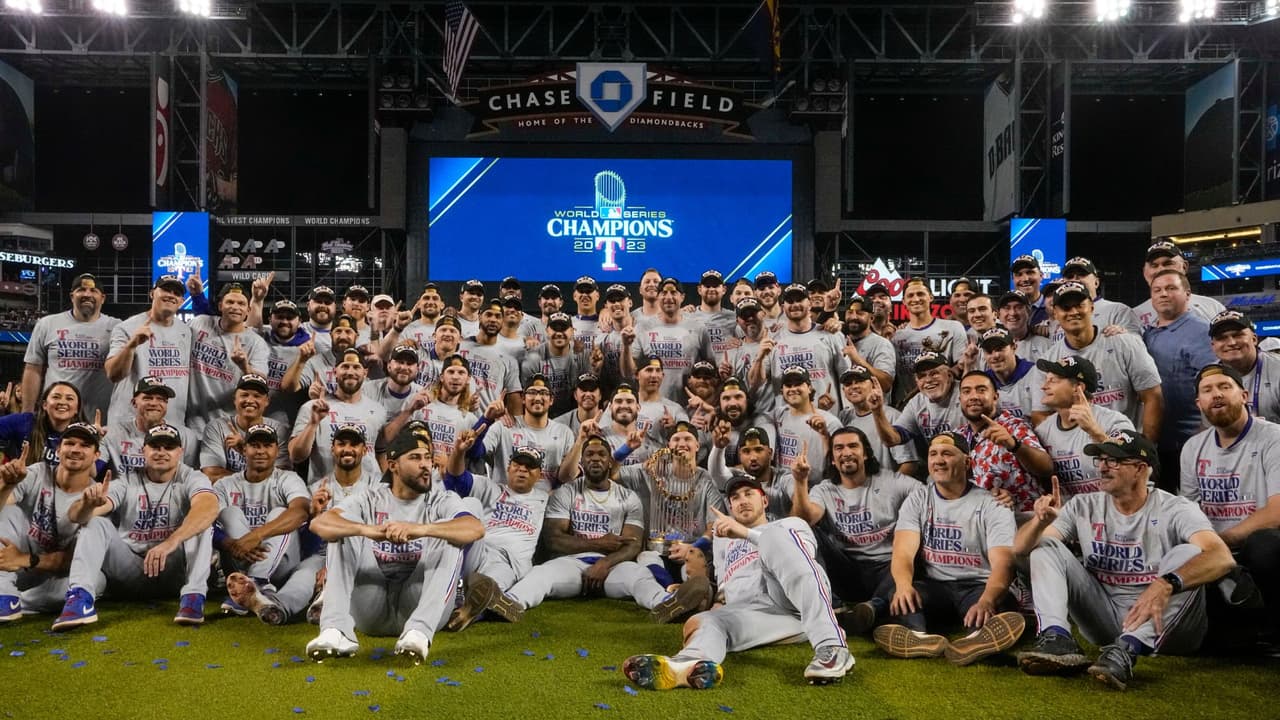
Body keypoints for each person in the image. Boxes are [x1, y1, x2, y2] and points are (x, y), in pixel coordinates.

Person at [1013, 431, 1234, 690]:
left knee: (1190, 553)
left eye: (1114, 461)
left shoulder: (1175, 508)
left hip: (1168, 627)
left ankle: (1128, 648)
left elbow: (1221, 556)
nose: (1103, 467)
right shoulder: (1083, 506)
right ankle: (1057, 637)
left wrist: (1166, 583)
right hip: (1105, 620)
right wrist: (1040, 523)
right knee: (1044, 546)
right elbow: (1020, 549)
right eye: (1101, 460)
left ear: (1140, 469)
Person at [623, 469, 855, 690]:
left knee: (773, 537)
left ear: (764, 501)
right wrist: (718, 603)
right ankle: (688, 663)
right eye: (735, 497)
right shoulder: (724, 542)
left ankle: (832, 646)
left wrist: (744, 533)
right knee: (706, 620)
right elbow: (726, 582)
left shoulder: (790, 524)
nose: (742, 500)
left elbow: (801, 566)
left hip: (796, 606)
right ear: (730, 507)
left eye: (749, 493)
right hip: (760, 616)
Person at [305, 424, 484, 664]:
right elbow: (320, 523)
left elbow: (475, 528)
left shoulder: (440, 499)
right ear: (393, 465)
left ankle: (419, 634)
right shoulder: (370, 497)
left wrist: (419, 530)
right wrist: (367, 530)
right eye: (415, 458)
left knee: (448, 533)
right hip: (371, 608)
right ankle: (336, 630)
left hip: (418, 603)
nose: (425, 465)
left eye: (428, 457)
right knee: (343, 530)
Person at [873, 432, 1024, 667]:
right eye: (933, 454)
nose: (938, 460)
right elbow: (903, 552)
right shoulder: (918, 499)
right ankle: (918, 637)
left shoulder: (992, 503)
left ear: (967, 462)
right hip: (937, 587)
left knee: (997, 606)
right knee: (901, 595)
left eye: (947, 454)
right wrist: (903, 587)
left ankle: (976, 639)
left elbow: (1003, 563)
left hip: (978, 585)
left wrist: (987, 600)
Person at [54, 424, 218, 630]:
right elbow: (76, 516)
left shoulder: (191, 477)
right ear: (143, 450)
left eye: (168, 447)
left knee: (201, 524)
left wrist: (170, 542)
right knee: (94, 522)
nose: (161, 452)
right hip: (130, 571)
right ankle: (80, 600)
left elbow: (209, 507)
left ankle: (193, 597)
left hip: (174, 570)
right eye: (155, 447)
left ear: (180, 452)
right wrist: (86, 506)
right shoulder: (126, 480)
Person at [1181, 364, 1280, 638]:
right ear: (1199, 403)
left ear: (1244, 395)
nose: (1216, 394)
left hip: (1253, 547)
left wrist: (1222, 540)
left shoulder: (1274, 438)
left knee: (1266, 545)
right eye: (1207, 390)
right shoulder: (1192, 447)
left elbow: (1277, 512)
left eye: (1225, 386)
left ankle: (1273, 631)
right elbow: (1187, 511)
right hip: (1215, 550)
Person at [791, 426, 918, 635]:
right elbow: (805, 519)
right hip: (846, 570)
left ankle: (872, 608)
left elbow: (928, 496)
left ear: (865, 453)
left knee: (915, 546)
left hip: (887, 568)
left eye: (853, 446)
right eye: (839, 448)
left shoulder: (893, 481)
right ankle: (836, 608)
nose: (846, 452)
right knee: (804, 531)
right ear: (833, 459)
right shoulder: (824, 489)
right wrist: (800, 481)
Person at [441, 435, 550, 631]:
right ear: (508, 468)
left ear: (539, 475)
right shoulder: (491, 488)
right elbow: (456, 478)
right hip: (479, 550)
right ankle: (469, 596)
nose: (522, 469)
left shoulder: (546, 499)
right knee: (469, 504)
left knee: (488, 586)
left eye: (529, 467)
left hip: (508, 562)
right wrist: (459, 452)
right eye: (517, 464)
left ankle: (466, 610)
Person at [215, 424, 316, 625]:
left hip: (282, 564)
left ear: (277, 450)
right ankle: (256, 586)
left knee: (281, 514)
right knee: (229, 513)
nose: (261, 451)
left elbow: (300, 511)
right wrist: (230, 544)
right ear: (244, 449)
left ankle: (256, 581)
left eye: (267, 445)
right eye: (255, 445)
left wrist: (255, 536)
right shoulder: (224, 485)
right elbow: (206, 525)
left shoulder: (287, 478)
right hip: (238, 559)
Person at [0, 423, 102, 619]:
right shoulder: (39, 472)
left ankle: (18, 602)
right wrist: (7, 485)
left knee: (97, 580)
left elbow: (71, 560)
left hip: (54, 576)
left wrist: (25, 559)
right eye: (69, 443)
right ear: (58, 450)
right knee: (8, 510)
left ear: (96, 455)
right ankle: (4, 595)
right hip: (14, 566)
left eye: (84, 445)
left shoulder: (95, 497)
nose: (75, 450)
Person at [1046, 281, 1163, 439]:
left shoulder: (1125, 343)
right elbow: (1043, 413)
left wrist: (1146, 446)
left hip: (1125, 445)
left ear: (1092, 307)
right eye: (1066, 307)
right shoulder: (1049, 358)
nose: (1073, 312)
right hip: (1077, 448)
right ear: (1055, 313)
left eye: (1079, 305)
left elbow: (1153, 396)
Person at [1142, 269, 1217, 486]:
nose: (1163, 294)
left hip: (1189, 441)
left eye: (1171, 288)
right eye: (1157, 290)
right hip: (1158, 441)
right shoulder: (1148, 333)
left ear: (1187, 294)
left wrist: (1205, 434)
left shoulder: (1201, 331)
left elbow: (1213, 384)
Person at [1034, 356, 1135, 500]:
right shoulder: (1042, 431)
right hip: (1068, 512)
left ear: (1078, 387)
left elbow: (1132, 471)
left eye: (1053, 380)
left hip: (1112, 508)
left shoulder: (1114, 422)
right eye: (1046, 379)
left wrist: (1094, 431)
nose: (1043, 386)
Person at [23, 272, 119, 422]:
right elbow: (33, 369)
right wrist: (26, 414)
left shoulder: (116, 327)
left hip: (99, 420)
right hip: (55, 418)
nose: (87, 294)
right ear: (72, 296)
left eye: (93, 290)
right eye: (81, 289)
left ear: (102, 298)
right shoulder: (47, 324)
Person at [954, 371, 1052, 515]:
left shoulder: (1014, 426)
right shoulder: (956, 436)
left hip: (1024, 517)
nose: (973, 396)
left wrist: (1014, 445)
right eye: (966, 391)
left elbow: (1046, 468)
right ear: (960, 399)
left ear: (995, 397)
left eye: (981, 390)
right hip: (979, 518)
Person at [104, 275, 192, 427]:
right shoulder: (126, 327)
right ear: (152, 293)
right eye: (165, 290)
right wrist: (131, 345)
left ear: (181, 301)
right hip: (130, 423)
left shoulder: (186, 331)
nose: (171, 295)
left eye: (176, 293)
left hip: (171, 422)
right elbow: (113, 374)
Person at [289, 348, 387, 480]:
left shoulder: (378, 410)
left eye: (356, 367)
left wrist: (386, 485)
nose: (350, 372)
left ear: (365, 373)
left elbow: (381, 454)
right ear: (335, 372)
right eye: (345, 366)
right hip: (326, 489)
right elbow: (296, 456)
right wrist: (313, 423)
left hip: (369, 489)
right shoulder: (313, 408)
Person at [186, 280, 270, 434]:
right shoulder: (199, 323)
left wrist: (244, 366)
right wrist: (196, 294)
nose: (235, 307)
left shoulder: (256, 343)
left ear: (248, 310)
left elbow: (261, 382)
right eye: (230, 302)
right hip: (191, 423)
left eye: (241, 303)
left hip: (228, 426)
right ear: (220, 306)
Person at [200, 373, 291, 481]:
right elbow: (212, 475)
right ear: (235, 399)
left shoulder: (278, 430)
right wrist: (257, 479)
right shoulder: (217, 427)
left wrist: (245, 450)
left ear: (267, 401)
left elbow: (280, 478)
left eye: (257, 396)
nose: (250, 400)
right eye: (244, 395)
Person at [891, 278, 966, 405]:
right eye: (910, 295)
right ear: (904, 301)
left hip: (946, 403)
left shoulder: (953, 328)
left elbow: (962, 365)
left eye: (920, 294)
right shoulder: (895, 337)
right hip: (906, 406)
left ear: (930, 297)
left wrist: (934, 380)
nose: (916, 299)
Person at [630, 278, 704, 403]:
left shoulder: (698, 328)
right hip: (650, 404)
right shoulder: (642, 327)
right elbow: (630, 370)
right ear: (658, 296)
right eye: (664, 293)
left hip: (689, 405)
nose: (668, 297)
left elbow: (710, 366)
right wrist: (626, 347)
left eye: (673, 292)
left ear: (682, 297)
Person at [836, 367, 918, 476]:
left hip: (885, 483)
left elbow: (909, 464)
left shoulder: (892, 416)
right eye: (848, 384)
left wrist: (889, 486)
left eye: (860, 381)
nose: (854, 386)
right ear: (843, 391)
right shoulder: (844, 417)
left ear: (873, 385)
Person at [1133, 241, 1225, 331]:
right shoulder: (1133, 316)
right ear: (1145, 272)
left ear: (1184, 267)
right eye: (1154, 265)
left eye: (1168, 263)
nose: (1160, 269)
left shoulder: (1212, 307)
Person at [1208, 310, 1280, 422]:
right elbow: (1208, 425)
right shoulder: (1206, 378)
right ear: (1213, 346)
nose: (1231, 343)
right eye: (1222, 338)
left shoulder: (1277, 368)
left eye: (1238, 335)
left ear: (1254, 339)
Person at [978, 327, 1049, 421]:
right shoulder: (985, 380)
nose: (995, 356)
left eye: (1000, 349)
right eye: (989, 352)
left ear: (1014, 347)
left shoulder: (1035, 374)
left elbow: (1043, 419)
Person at [1061, 256, 1141, 335]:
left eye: (1082, 274)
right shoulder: (1059, 317)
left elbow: (1136, 340)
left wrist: (1124, 335)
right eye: (1069, 276)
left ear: (1096, 282)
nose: (1075, 279)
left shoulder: (1118, 310)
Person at [841, 295, 895, 394]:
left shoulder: (881, 344)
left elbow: (886, 384)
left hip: (873, 403)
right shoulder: (839, 341)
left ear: (871, 318)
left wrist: (858, 360)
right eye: (850, 312)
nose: (853, 317)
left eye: (860, 313)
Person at [1010, 255, 1049, 327]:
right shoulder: (1007, 311)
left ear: (1041, 275)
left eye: (1030, 272)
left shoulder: (1053, 308)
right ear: (1013, 280)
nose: (1025, 279)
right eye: (1019, 274)